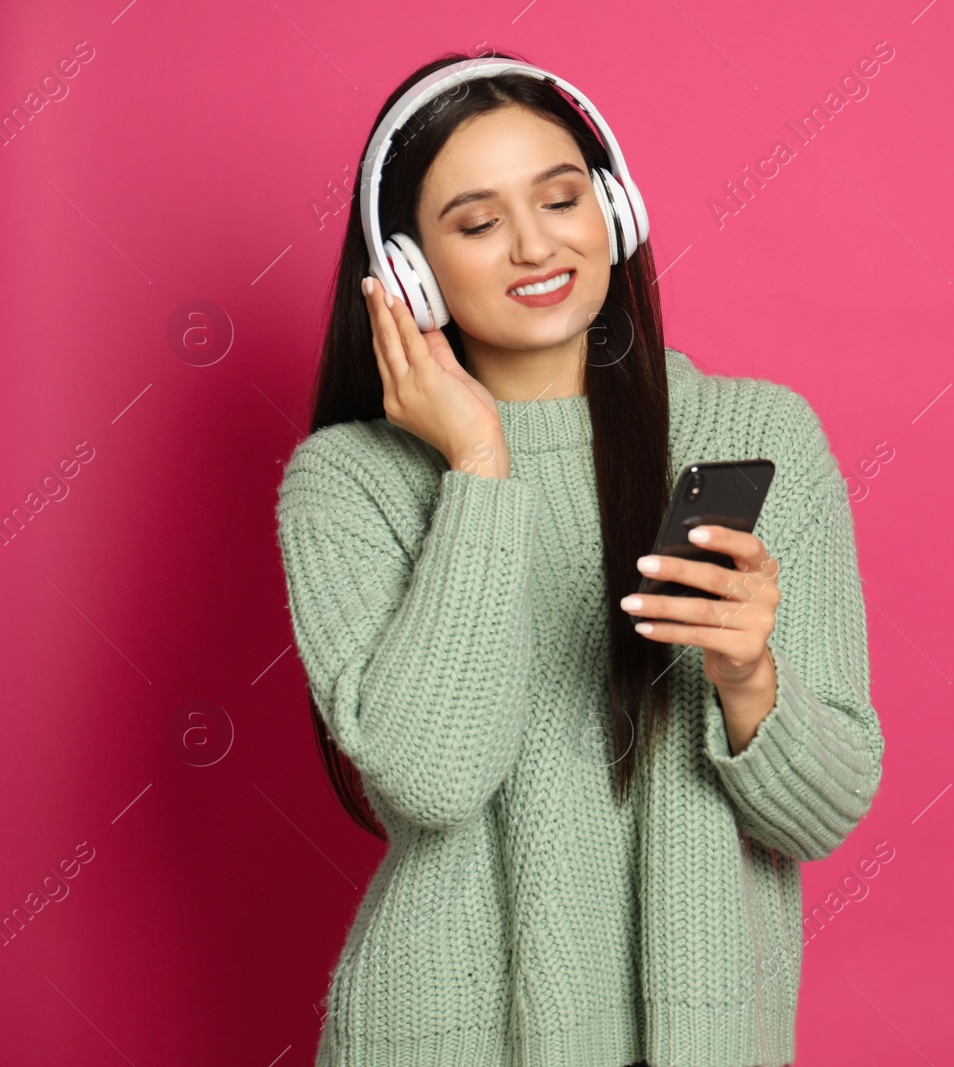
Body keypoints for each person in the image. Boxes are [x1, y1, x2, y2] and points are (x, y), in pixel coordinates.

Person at [274, 47, 884, 1067]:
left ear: (615, 210)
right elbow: (429, 778)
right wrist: (477, 464)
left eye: (561, 199)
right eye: (476, 223)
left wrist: (747, 676)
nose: (532, 245)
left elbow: (823, 811)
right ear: (407, 274)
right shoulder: (348, 482)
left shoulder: (757, 433)